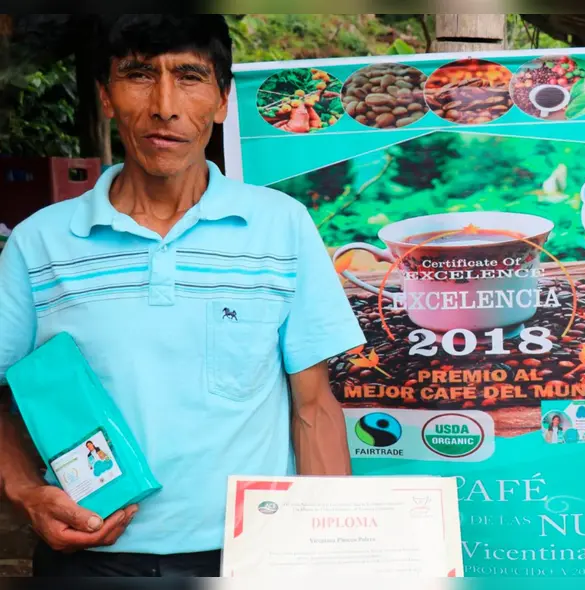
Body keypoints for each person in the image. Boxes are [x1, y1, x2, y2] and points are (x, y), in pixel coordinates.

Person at [0, 15, 365, 576]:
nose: (164, 104)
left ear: (222, 101)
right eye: (140, 75)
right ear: (105, 96)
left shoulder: (280, 227)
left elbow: (312, 407)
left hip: (250, 559)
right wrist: (27, 491)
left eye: (190, 77)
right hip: (89, 564)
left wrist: (333, 561)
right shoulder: (38, 244)